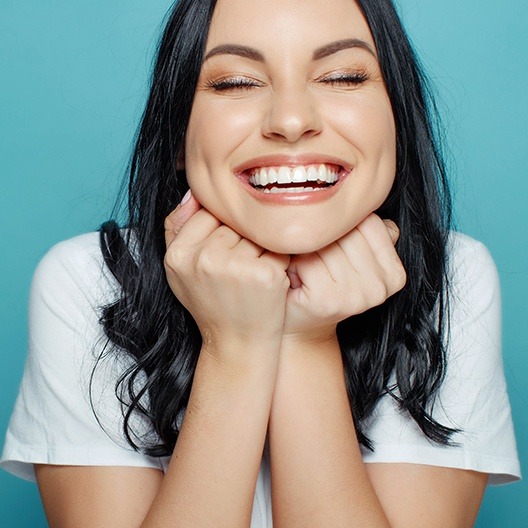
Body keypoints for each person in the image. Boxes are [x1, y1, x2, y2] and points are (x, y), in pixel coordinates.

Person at [1, 0, 521, 526]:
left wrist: (306, 340)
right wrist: (236, 347)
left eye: (342, 76)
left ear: (396, 121)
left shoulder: (450, 276)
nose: (291, 121)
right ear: (178, 137)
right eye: (234, 84)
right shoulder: (88, 283)